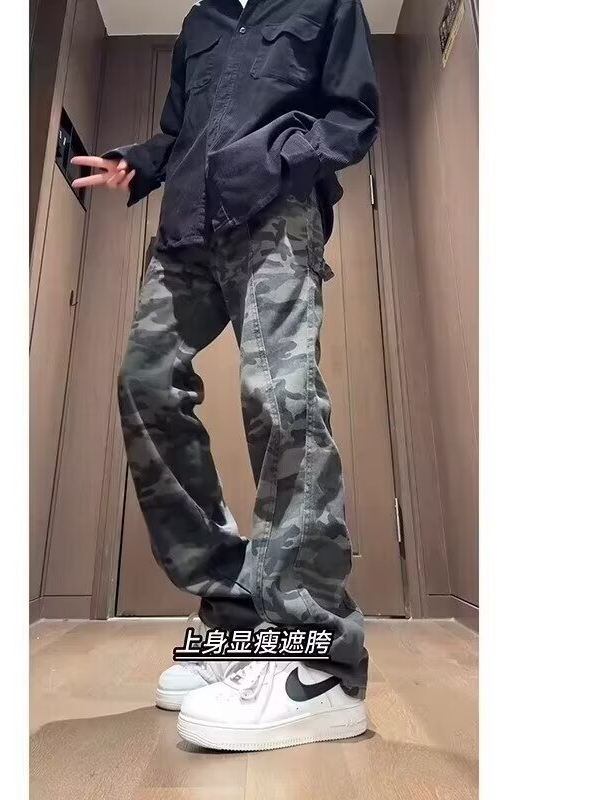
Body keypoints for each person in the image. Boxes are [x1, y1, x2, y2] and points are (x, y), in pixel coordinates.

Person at [72, 0, 379, 752]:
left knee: (281, 394)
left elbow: (353, 117)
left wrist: (276, 158)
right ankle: (237, 618)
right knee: (145, 384)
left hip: (276, 214)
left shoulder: (325, 3)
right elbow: (180, 133)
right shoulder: (200, 21)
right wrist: (138, 162)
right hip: (185, 231)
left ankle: (320, 659)